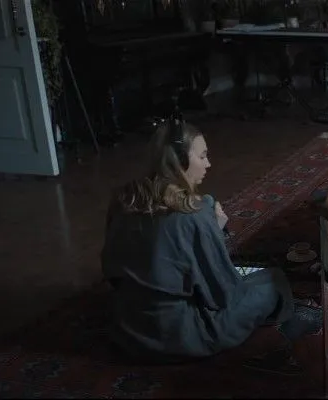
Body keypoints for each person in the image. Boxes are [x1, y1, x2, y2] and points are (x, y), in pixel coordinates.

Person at [100, 116, 299, 363]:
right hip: (179, 336)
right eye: (203, 156)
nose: (208, 164)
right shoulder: (194, 215)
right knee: (273, 280)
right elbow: (223, 294)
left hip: (128, 329)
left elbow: (111, 273)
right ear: (181, 161)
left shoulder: (123, 199)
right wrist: (215, 230)